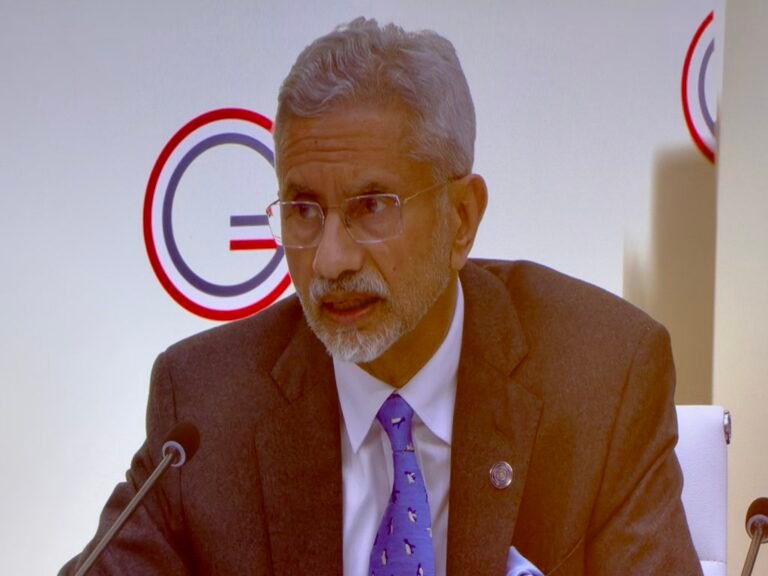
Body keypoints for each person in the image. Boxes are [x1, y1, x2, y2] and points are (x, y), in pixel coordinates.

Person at [61, 17, 702, 575]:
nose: (330, 260)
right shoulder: (206, 405)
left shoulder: (600, 377)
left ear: (461, 218)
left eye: (372, 207)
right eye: (303, 210)